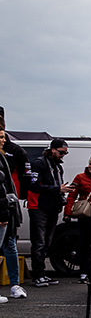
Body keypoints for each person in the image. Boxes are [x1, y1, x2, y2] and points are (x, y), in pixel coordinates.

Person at [28, 139, 73, 286]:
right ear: (53, 149)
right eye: (61, 152)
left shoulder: (58, 167)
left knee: (47, 243)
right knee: (39, 243)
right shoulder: (39, 163)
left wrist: (62, 192)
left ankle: (42, 274)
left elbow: (57, 186)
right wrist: (57, 189)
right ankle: (37, 276)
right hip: (39, 208)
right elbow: (33, 186)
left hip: (52, 208)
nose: (63, 155)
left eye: (65, 153)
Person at [0, 125, 27, 301]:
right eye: (1, 137)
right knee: (9, 245)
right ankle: (14, 285)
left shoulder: (4, 156)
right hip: (4, 210)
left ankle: (15, 285)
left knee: (10, 245)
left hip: (7, 209)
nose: (4, 140)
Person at [64, 153, 91, 284]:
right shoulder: (80, 177)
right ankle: (83, 273)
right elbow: (71, 196)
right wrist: (67, 213)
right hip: (85, 215)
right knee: (84, 244)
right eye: (90, 164)